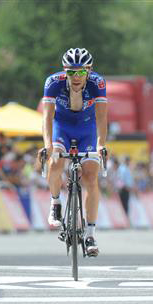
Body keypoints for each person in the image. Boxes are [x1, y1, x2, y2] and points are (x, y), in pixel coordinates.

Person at [40, 48, 108, 257]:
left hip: (86, 128)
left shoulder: (98, 83)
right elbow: (47, 117)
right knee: (55, 163)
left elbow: (102, 118)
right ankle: (55, 202)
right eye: (71, 72)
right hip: (62, 127)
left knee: (90, 178)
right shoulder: (53, 82)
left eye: (80, 72)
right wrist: (48, 146)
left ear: (89, 71)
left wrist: (100, 145)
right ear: (65, 72)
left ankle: (90, 234)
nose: (76, 77)